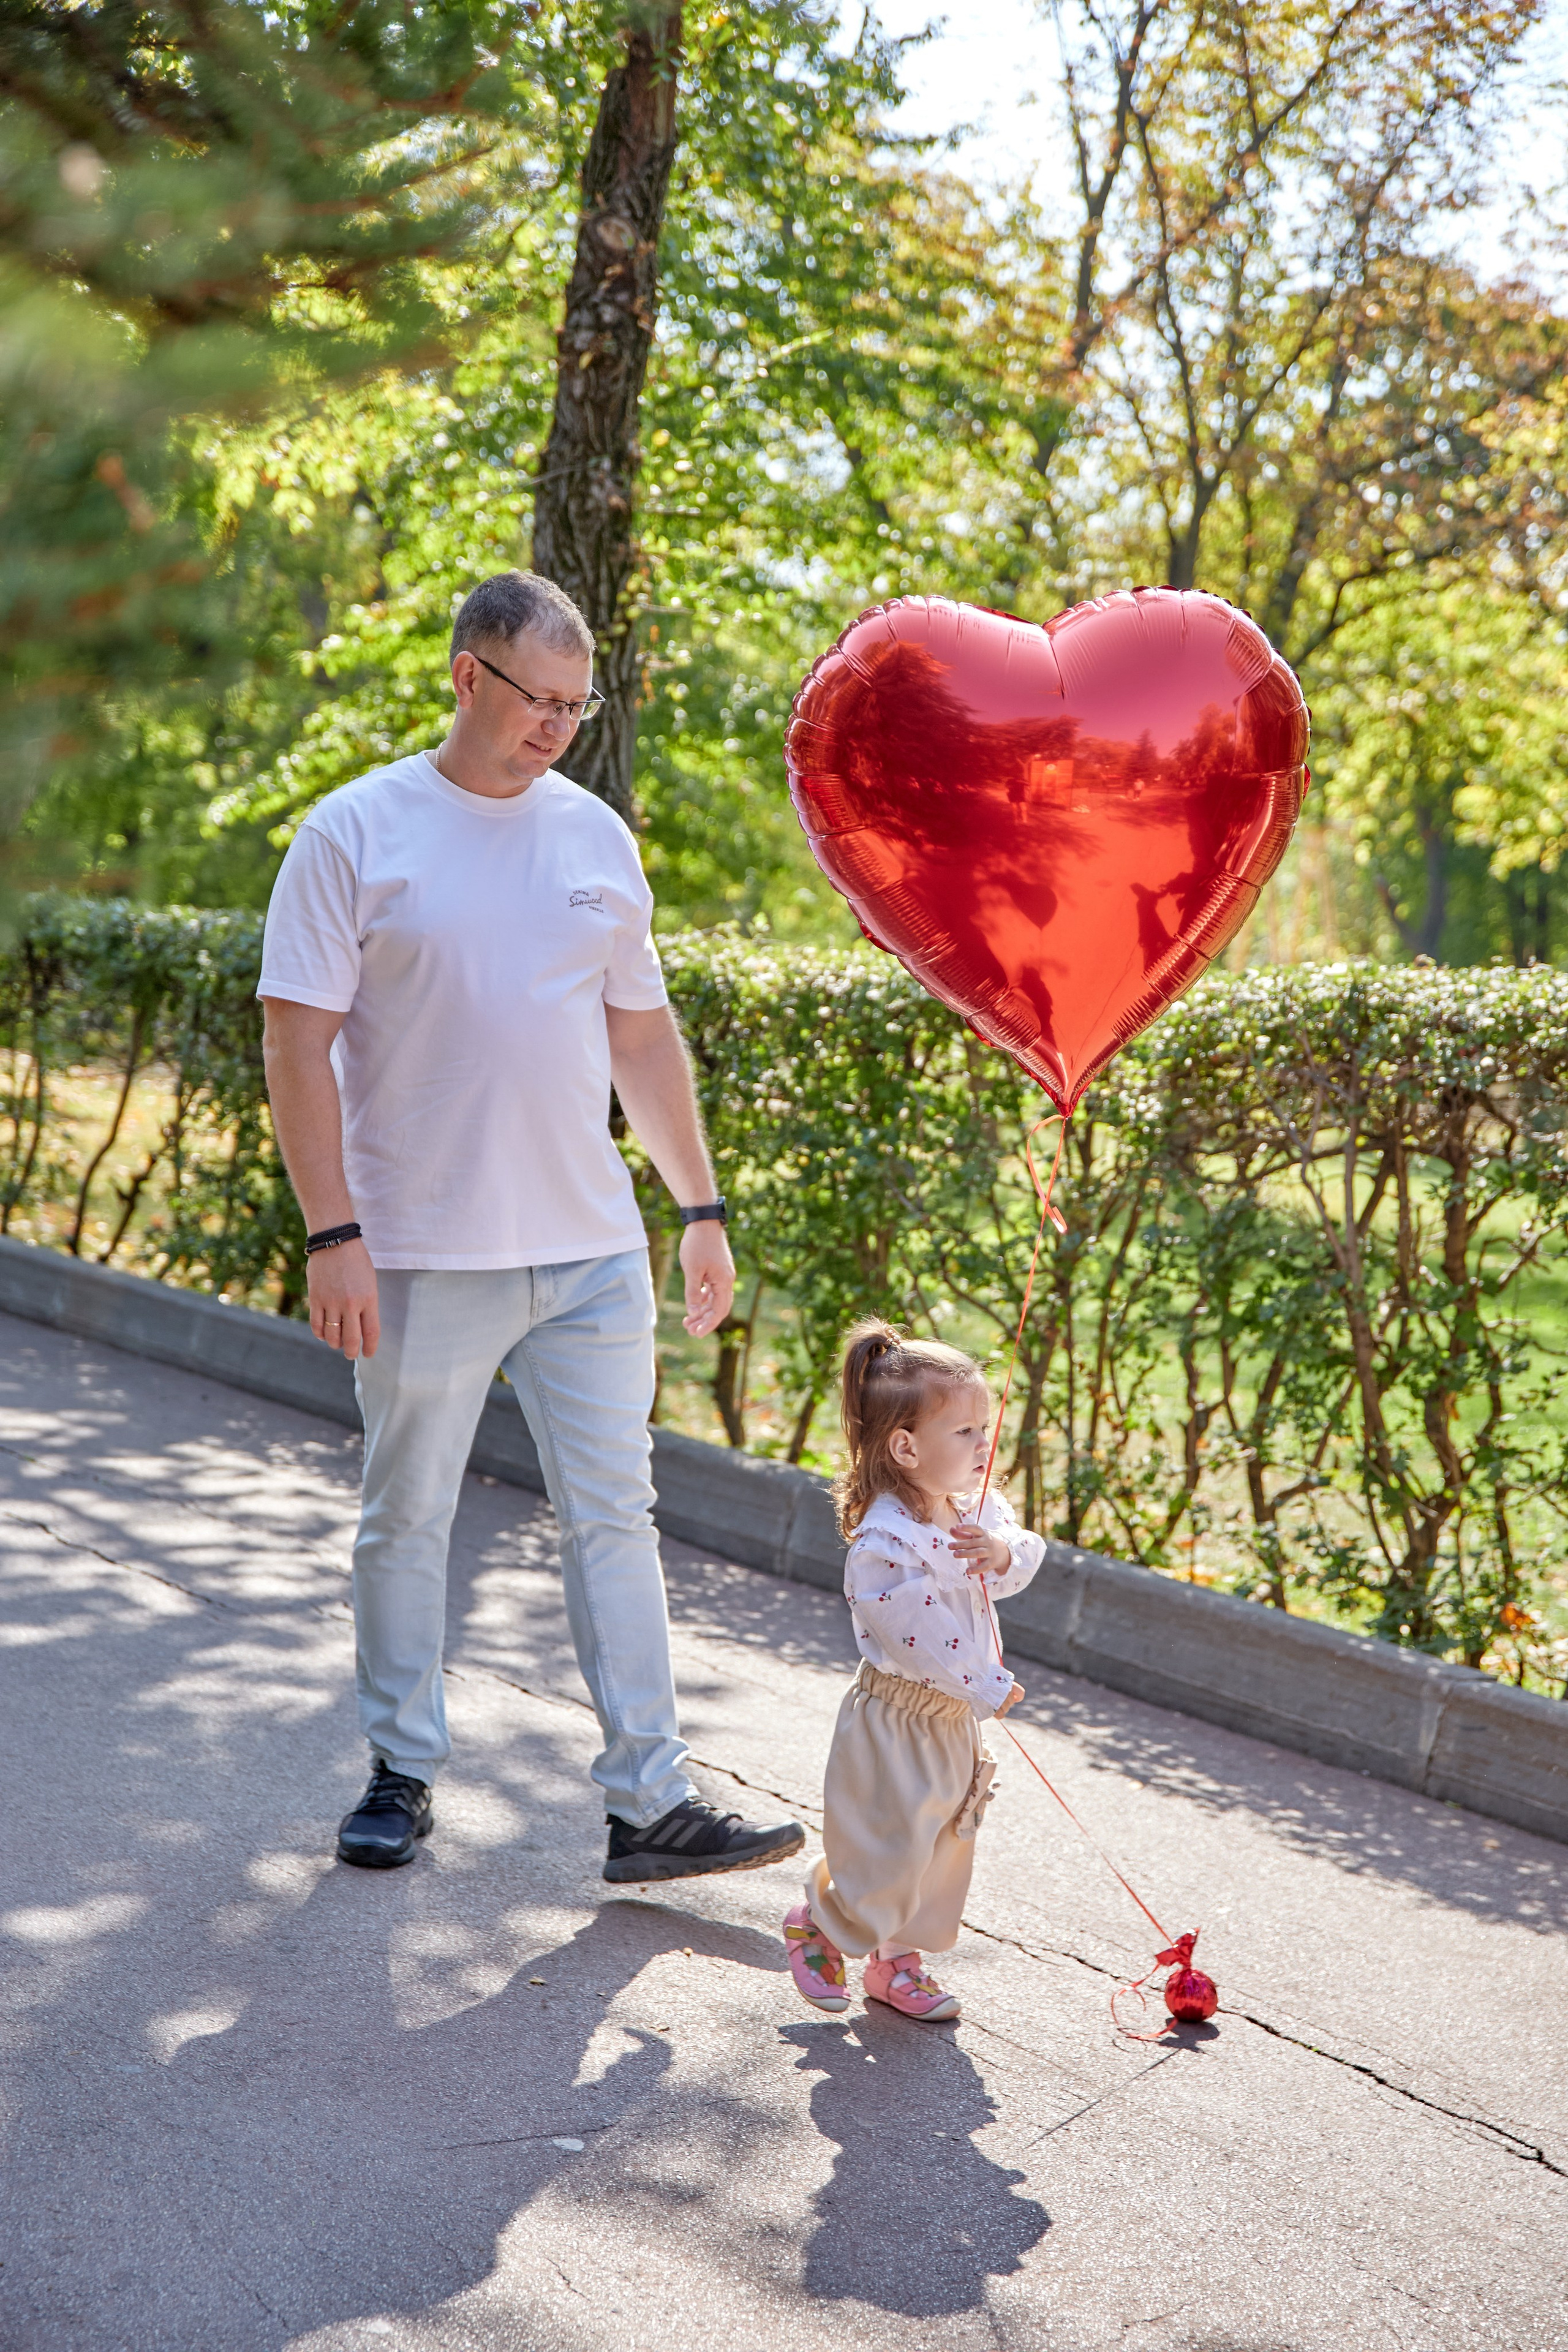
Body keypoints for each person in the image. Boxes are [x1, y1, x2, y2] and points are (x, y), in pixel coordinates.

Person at [258, 568, 804, 1883]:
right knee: (408, 1513)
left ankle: (648, 1802)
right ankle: (401, 1769)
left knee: (616, 1514)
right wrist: (333, 1233)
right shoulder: (355, 833)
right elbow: (293, 1038)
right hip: (419, 1252)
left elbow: (640, 1034)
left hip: (588, 1252)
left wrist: (698, 1205)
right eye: (536, 698)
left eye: (577, 703)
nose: (557, 724)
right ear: (467, 676)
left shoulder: (592, 837)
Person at [784, 1321, 1044, 2021]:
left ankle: (896, 1963)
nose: (983, 1444)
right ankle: (820, 1920)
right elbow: (917, 1632)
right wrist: (987, 1684)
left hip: (950, 1718)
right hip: (897, 1715)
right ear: (905, 1447)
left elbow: (1019, 1553)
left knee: (940, 1850)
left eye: (983, 1427)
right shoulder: (886, 1542)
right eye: (964, 1432)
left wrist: (1000, 1553)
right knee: (891, 1849)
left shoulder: (970, 1506)